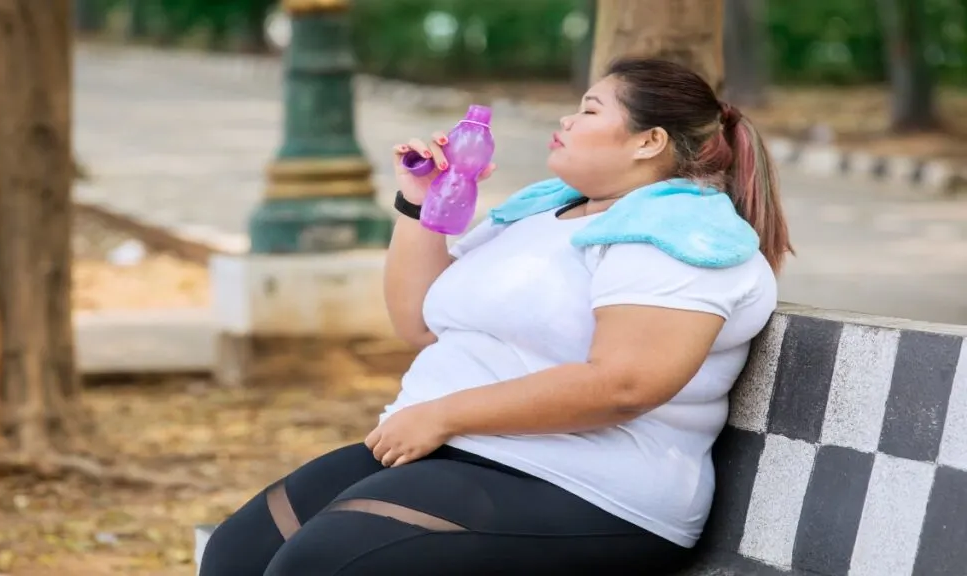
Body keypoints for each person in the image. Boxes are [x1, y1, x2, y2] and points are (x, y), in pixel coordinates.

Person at [199, 57, 792, 576]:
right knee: (236, 555)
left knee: (324, 564)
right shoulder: (543, 215)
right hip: (457, 451)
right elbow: (419, 323)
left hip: (589, 485)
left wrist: (442, 414)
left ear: (648, 140)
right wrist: (421, 200)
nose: (565, 121)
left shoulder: (680, 234)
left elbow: (624, 384)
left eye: (588, 110)